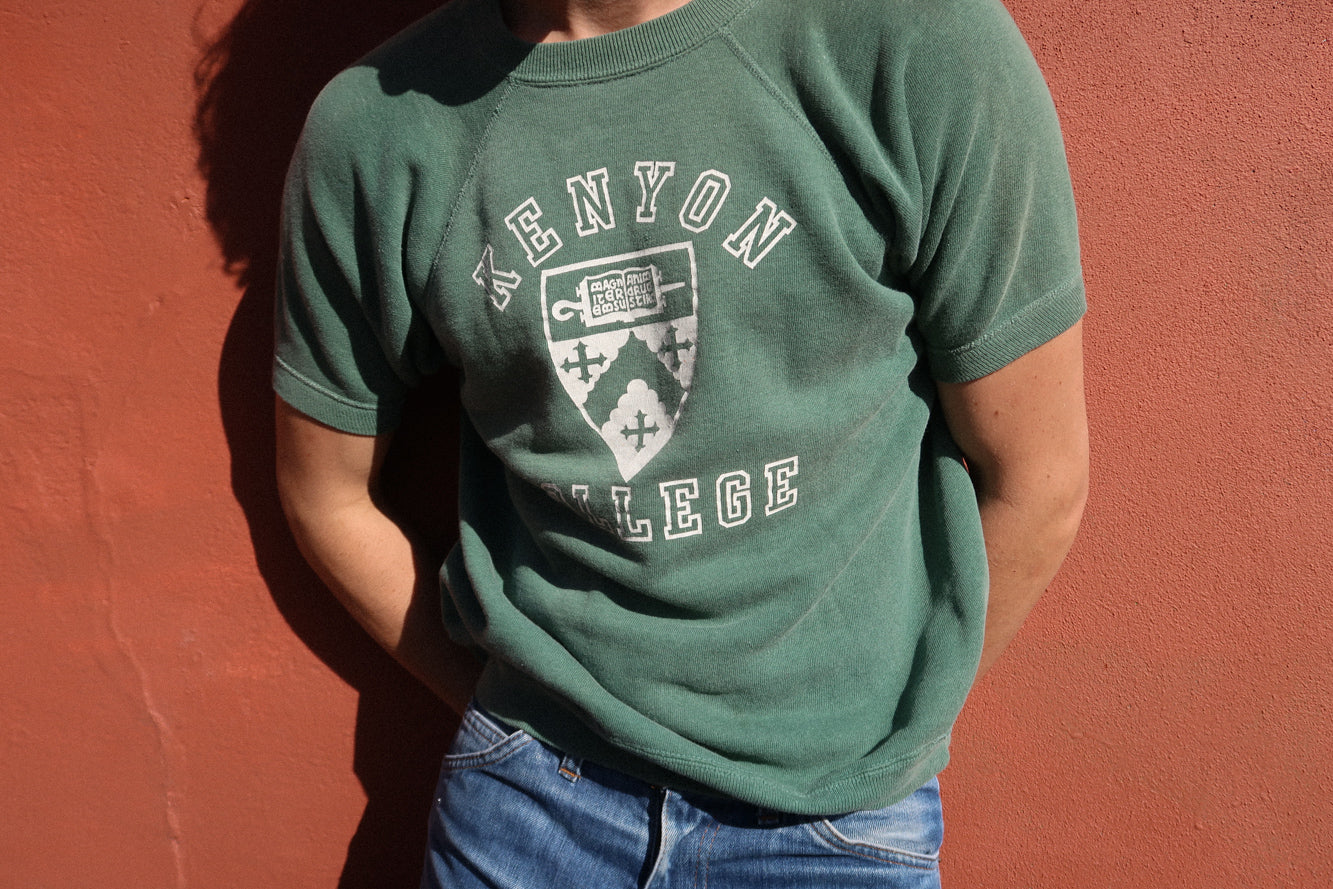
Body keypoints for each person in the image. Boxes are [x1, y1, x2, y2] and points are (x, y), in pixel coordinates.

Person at [272, 0, 1089, 885]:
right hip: (529, 811)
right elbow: (326, 492)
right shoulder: (381, 125)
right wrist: (507, 703)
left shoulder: (911, 36)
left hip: (832, 830)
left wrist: (887, 733)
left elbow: (1037, 476)